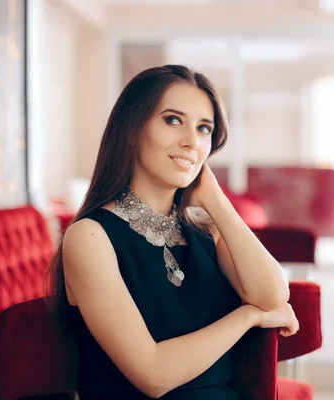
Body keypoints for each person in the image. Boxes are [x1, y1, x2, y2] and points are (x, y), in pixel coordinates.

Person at [45, 65, 299, 400]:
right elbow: (153, 375)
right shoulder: (89, 237)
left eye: (204, 128)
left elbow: (273, 295)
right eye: (173, 120)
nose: (192, 141)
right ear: (132, 129)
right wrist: (248, 316)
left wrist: (216, 200)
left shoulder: (206, 228)